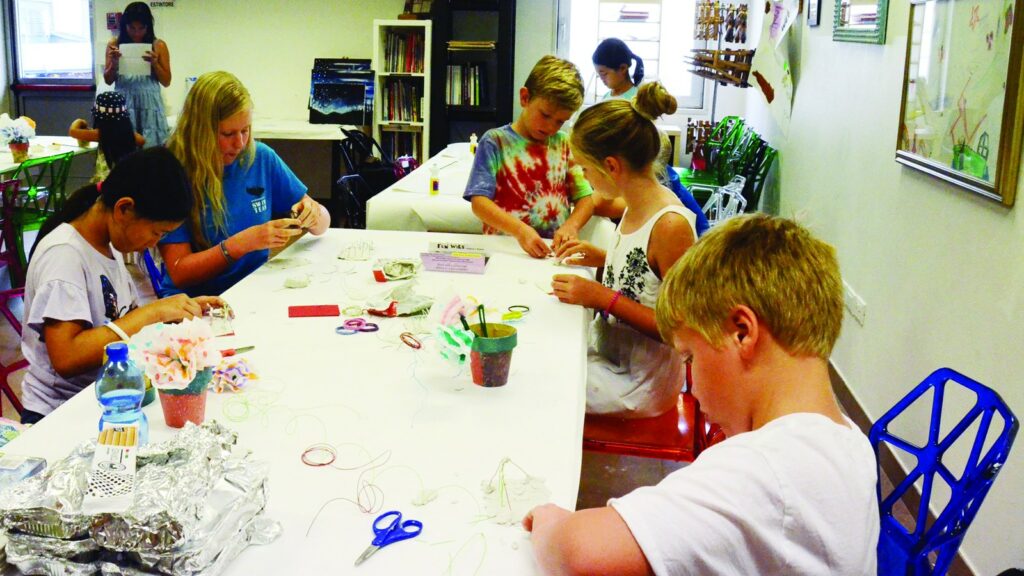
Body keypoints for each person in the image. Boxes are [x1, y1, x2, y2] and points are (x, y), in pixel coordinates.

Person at [525, 214, 879, 575]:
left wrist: (548, 519)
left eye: (690, 357)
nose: (692, 387)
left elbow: (577, 551)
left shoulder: (765, 472)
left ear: (742, 333)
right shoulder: (852, 443)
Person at [20, 148, 226, 425]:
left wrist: (175, 314)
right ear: (123, 209)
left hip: (109, 397)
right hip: (58, 414)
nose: (154, 244)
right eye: (157, 232)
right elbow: (67, 358)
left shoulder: (109, 246)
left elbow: (120, 322)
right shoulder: (65, 256)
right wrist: (154, 312)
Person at [552, 82, 698, 417]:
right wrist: (604, 259)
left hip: (640, 383)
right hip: (614, 356)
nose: (585, 178)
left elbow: (681, 329)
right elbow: (647, 278)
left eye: (585, 169)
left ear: (611, 166)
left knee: (538, 385)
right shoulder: (635, 204)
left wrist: (601, 297)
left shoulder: (670, 225)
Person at [158, 71, 330, 297]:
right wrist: (240, 244)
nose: (239, 143)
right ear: (201, 131)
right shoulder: (172, 171)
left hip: (252, 290)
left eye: (245, 130)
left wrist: (313, 213)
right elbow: (180, 272)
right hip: (195, 303)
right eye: (228, 133)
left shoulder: (260, 157)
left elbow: (324, 223)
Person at [463, 55, 595, 258]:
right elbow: (479, 203)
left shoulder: (564, 144)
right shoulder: (495, 141)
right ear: (525, 97)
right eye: (545, 115)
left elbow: (585, 199)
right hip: (505, 250)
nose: (551, 127)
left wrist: (572, 226)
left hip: (552, 252)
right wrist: (519, 230)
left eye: (560, 121)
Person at [103, 2, 171, 147]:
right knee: (125, 149)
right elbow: (108, 80)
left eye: (141, 28)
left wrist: (155, 64)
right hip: (124, 102)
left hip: (150, 104)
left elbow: (167, 81)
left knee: (152, 151)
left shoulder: (158, 45)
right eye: (132, 28)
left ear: (148, 27)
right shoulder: (114, 44)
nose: (136, 33)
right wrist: (114, 63)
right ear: (125, 26)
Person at [68, 91, 146, 184]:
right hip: (128, 178)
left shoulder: (100, 134)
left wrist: (80, 121)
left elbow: (73, 131)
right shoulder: (129, 134)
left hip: (107, 182)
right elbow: (142, 140)